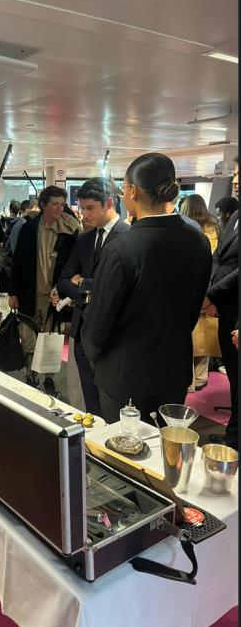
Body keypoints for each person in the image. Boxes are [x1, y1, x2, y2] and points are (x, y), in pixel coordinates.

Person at [82, 153, 212, 424]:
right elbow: (191, 312)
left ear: (132, 191)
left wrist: (100, 363)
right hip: (173, 369)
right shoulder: (198, 242)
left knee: (123, 457)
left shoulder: (123, 247)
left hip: (124, 375)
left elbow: (97, 324)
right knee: (164, 448)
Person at [57, 177, 130, 416]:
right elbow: (64, 280)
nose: (84, 215)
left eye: (90, 208)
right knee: (90, 400)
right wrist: (88, 293)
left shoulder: (129, 237)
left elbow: (123, 288)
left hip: (113, 334)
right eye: (82, 208)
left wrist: (84, 284)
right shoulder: (85, 238)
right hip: (82, 330)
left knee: (113, 403)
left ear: (109, 203)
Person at [9, 186, 80, 395]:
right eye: (54, 204)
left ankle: (49, 379)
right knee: (29, 336)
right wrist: (13, 292)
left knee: (52, 337)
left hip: (56, 294)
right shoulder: (29, 228)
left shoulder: (69, 230)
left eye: (62, 204)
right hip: (30, 292)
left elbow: (74, 264)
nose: (59, 208)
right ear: (43, 205)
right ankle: (31, 375)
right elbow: (18, 262)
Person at [205, 156, 238, 449]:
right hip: (227, 308)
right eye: (236, 174)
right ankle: (234, 434)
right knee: (235, 378)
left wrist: (213, 294)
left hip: (236, 311)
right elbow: (220, 258)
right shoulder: (236, 215)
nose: (236, 180)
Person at [180, 194, 220, 391]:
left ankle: (189, 381)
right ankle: (202, 377)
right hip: (210, 285)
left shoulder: (185, 230)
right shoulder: (216, 228)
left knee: (187, 335)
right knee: (205, 335)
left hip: (190, 286)